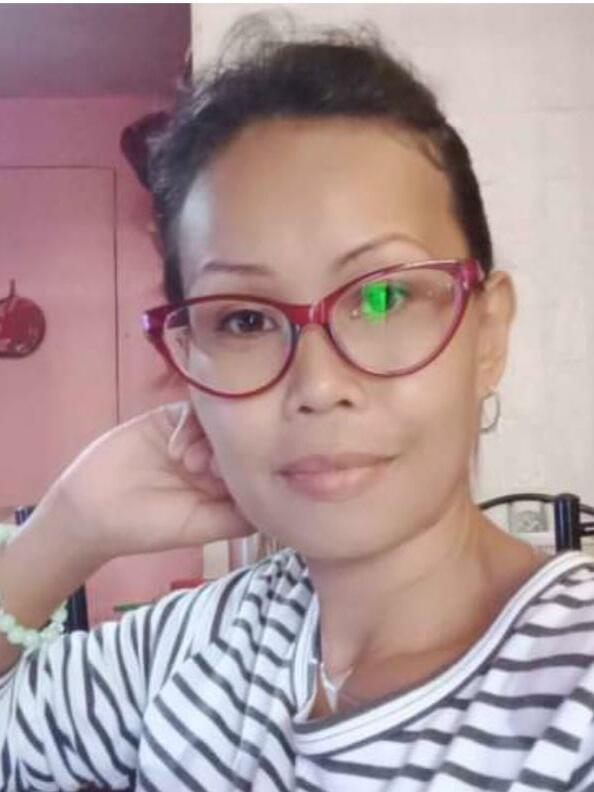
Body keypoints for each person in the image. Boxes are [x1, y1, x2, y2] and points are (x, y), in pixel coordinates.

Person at [2, 18, 594, 792]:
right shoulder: (186, 650)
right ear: (187, 360)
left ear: (487, 334)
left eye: (383, 298)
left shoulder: (570, 691)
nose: (316, 385)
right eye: (245, 320)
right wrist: (66, 529)